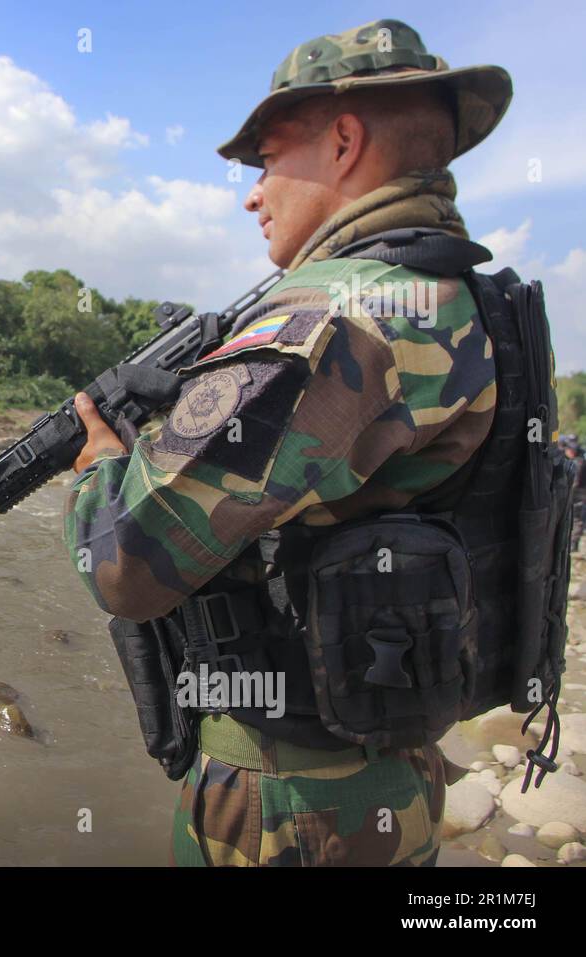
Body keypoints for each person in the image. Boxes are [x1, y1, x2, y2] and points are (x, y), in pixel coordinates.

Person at [63, 18, 517, 866]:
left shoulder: (330, 319)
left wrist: (100, 464)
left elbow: (126, 561)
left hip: (291, 805)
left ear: (344, 141)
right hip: (396, 771)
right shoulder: (460, 298)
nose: (252, 192)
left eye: (267, 160)